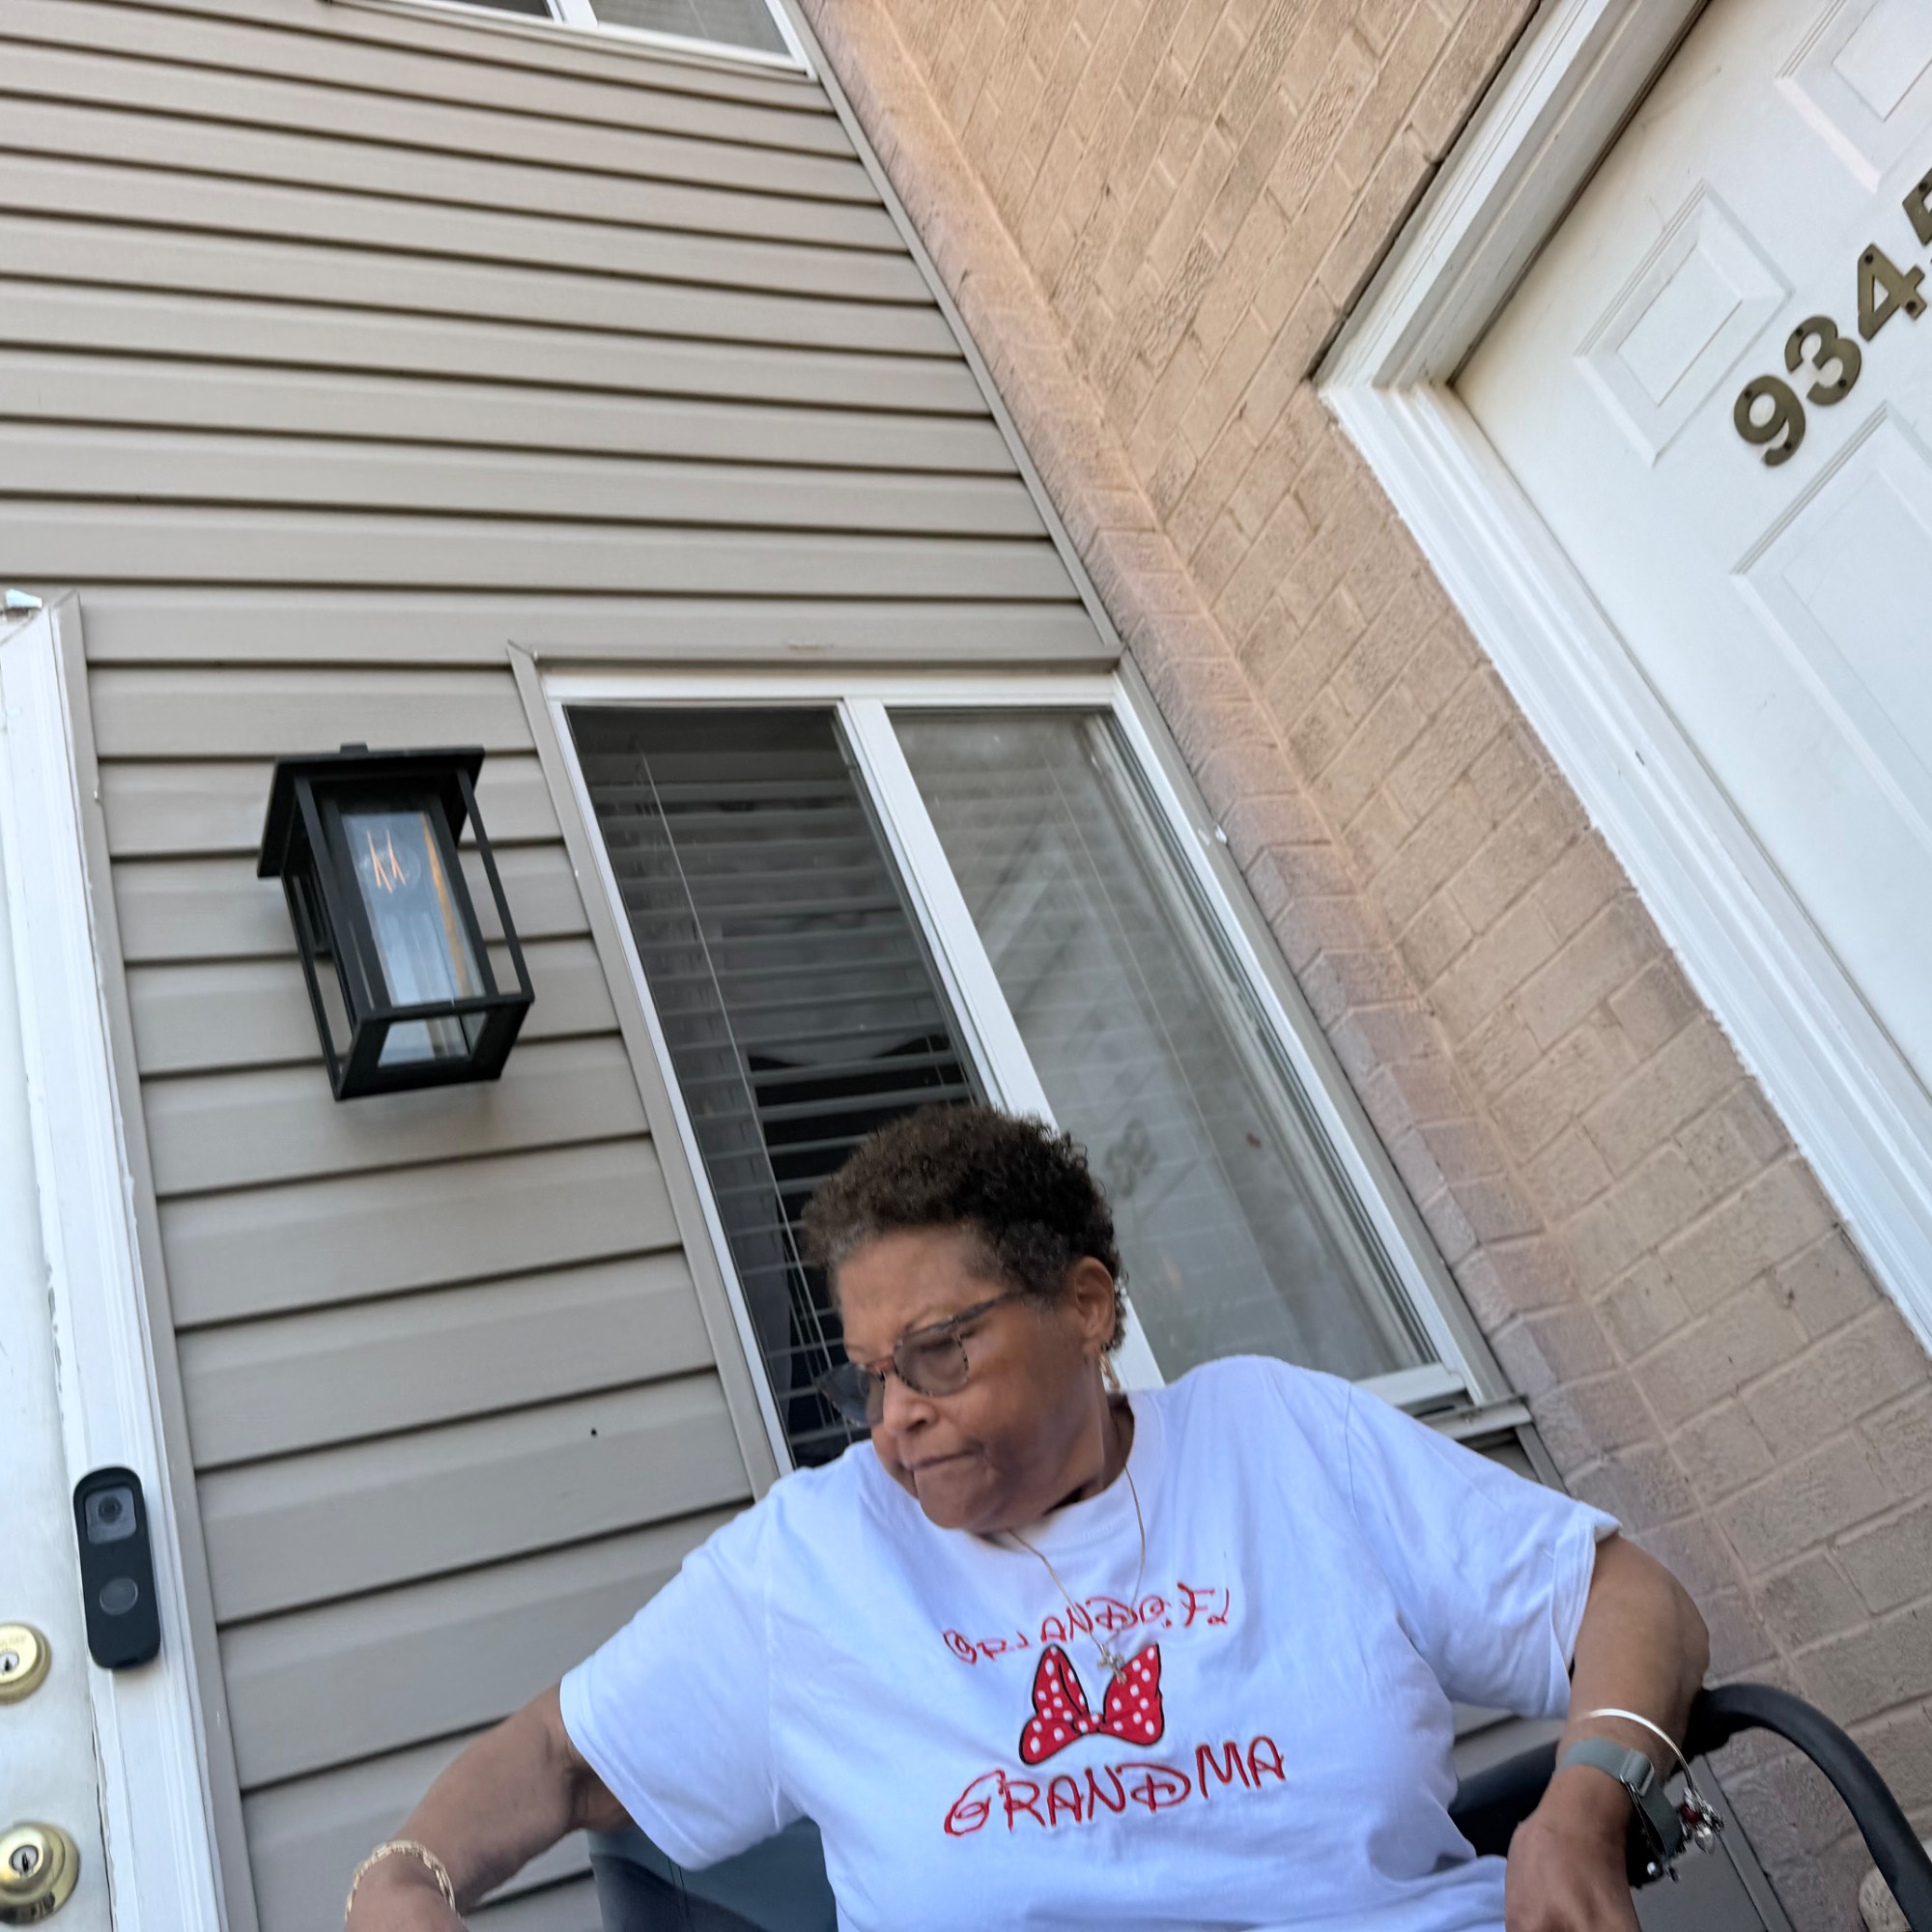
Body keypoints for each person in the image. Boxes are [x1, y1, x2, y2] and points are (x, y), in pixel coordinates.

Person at [345, 1104, 1708, 1932]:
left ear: (1087, 1308)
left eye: (938, 1353)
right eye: (870, 1376)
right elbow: (559, 1758)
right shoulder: (814, 1561)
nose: (896, 1416)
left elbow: (1625, 1597)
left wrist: (1583, 1805)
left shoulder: (1281, 1437)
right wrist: (402, 1879)